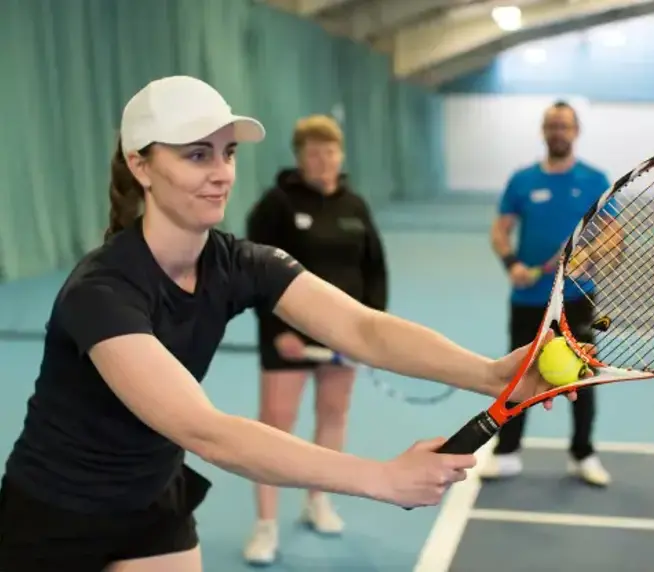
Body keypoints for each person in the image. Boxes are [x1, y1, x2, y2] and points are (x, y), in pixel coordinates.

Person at [0, 75, 576, 572]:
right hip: (55, 516)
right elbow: (207, 431)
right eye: (196, 154)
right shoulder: (103, 291)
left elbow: (363, 330)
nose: (221, 172)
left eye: (227, 153)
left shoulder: (240, 262)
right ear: (140, 165)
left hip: (152, 504)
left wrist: (489, 374)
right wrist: (378, 477)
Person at [242, 115, 387, 565]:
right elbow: (252, 272)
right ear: (300, 157)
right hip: (287, 340)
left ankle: (318, 500)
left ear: (341, 155)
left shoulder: (355, 206)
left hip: (343, 338)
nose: (323, 159)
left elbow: (374, 271)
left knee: (333, 415)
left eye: (330, 151)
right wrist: (279, 330)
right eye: (313, 152)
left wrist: (371, 330)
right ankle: (265, 525)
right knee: (274, 427)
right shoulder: (276, 204)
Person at [483, 101, 612, 487]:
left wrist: (587, 254)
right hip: (528, 299)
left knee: (582, 378)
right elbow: (500, 230)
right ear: (543, 131)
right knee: (517, 375)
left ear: (576, 131)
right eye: (552, 125)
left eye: (565, 126)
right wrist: (511, 264)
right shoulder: (522, 180)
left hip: (577, 297)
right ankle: (507, 453)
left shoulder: (594, 179)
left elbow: (613, 234)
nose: (558, 131)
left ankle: (582, 453)